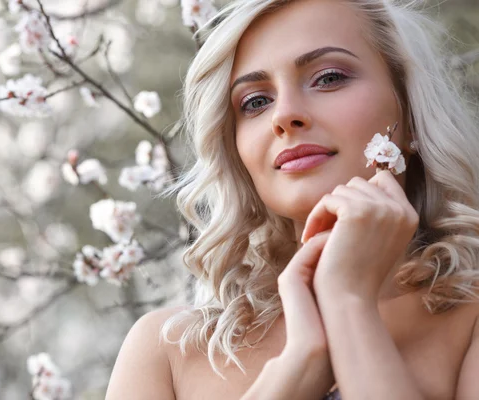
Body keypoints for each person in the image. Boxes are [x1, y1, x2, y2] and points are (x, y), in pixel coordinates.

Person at [106, 0, 479, 398]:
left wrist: (347, 300)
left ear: (409, 111)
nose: (284, 115)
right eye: (255, 102)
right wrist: (299, 366)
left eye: (329, 77)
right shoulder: (170, 352)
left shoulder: (469, 321)